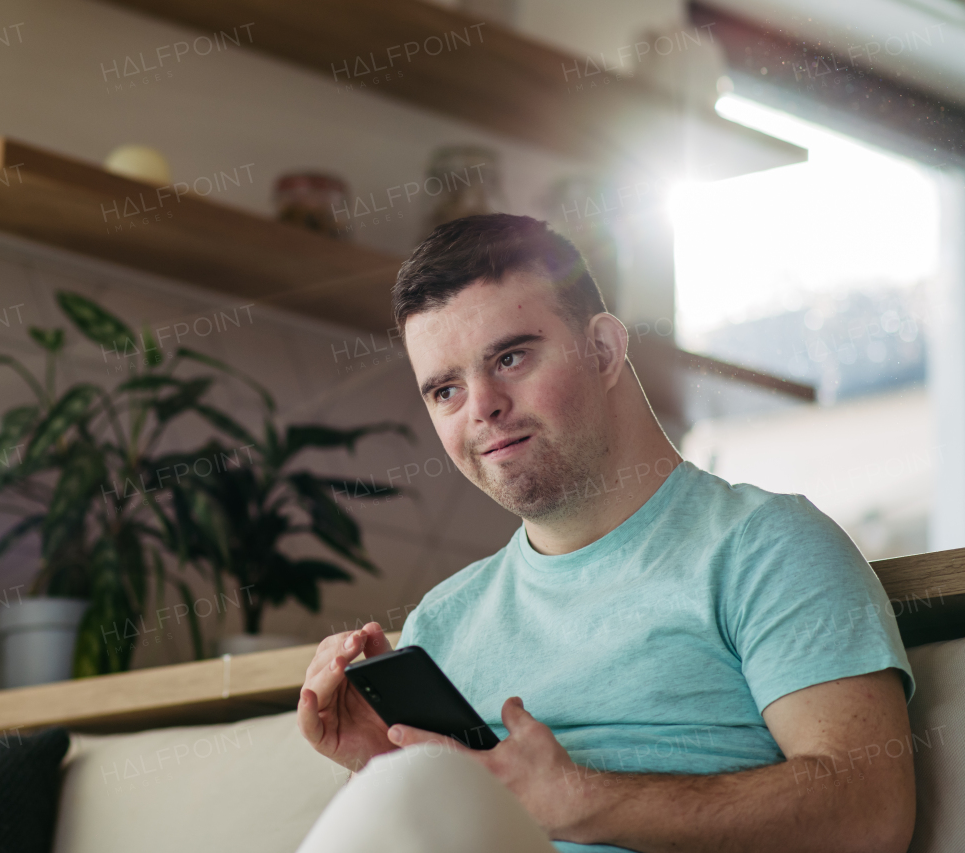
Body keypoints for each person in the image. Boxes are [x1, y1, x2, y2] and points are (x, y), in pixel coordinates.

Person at [295, 214, 916, 853]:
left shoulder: (768, 546)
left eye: (510, 357)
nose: (482, 406)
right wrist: (386, 769)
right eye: (446, 390)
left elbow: (869, 811)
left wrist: (578, 802)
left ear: (603, 350)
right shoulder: (441, 622)